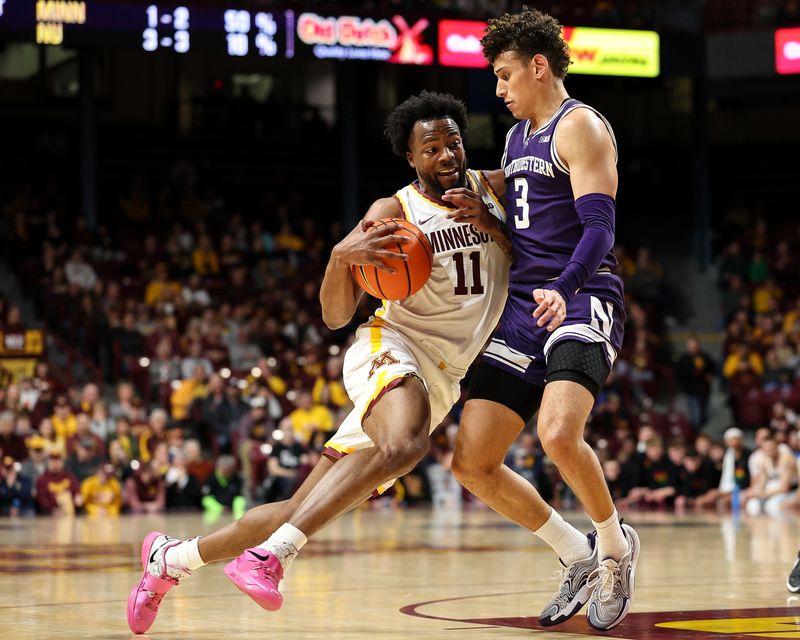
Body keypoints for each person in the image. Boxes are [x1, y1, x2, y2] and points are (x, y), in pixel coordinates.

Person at [127, 90, 512, 634]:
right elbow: (335, 316)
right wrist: (340, 258)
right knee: (404, 445)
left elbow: (533, 248)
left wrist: (497, 228)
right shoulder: (393, 213)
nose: (447, 155)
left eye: (453, 143)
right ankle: (270, 558)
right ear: (410, 157)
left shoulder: (495, 190)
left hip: (444, 376)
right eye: (432, 148)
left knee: (299, 507)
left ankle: (171, 561)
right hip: (392, 347)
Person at [448, 8, 639, 631]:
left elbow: (599, 229)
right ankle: (574, 552)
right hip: (527, 307)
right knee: (471, 463)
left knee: (558, 434)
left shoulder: (579, 126)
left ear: (538, 67)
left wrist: (562, 287)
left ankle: (614, 549)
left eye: (504, 75)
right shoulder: (515, 137)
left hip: (583, 298)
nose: (498, 89)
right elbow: (527, 220)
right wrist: (485, 214)